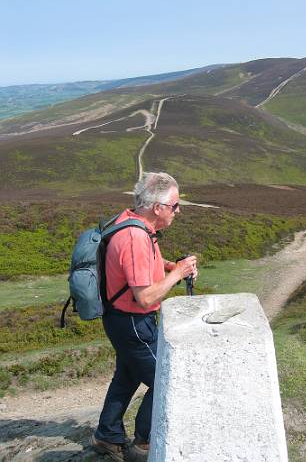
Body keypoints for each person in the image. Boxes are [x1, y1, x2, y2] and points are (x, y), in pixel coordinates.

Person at [90, 172, 197, 462]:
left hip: (121, 319)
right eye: (175, 205)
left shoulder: (132, 221)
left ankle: (107, 435)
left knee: (126, 377)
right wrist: (177, 274)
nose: (179, 210)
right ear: (157, 207)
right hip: (133, 322)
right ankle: (144, 444)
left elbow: (143, 261)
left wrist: (172, 265)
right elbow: (146, 296)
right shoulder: (136, 237)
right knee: (166, 378)